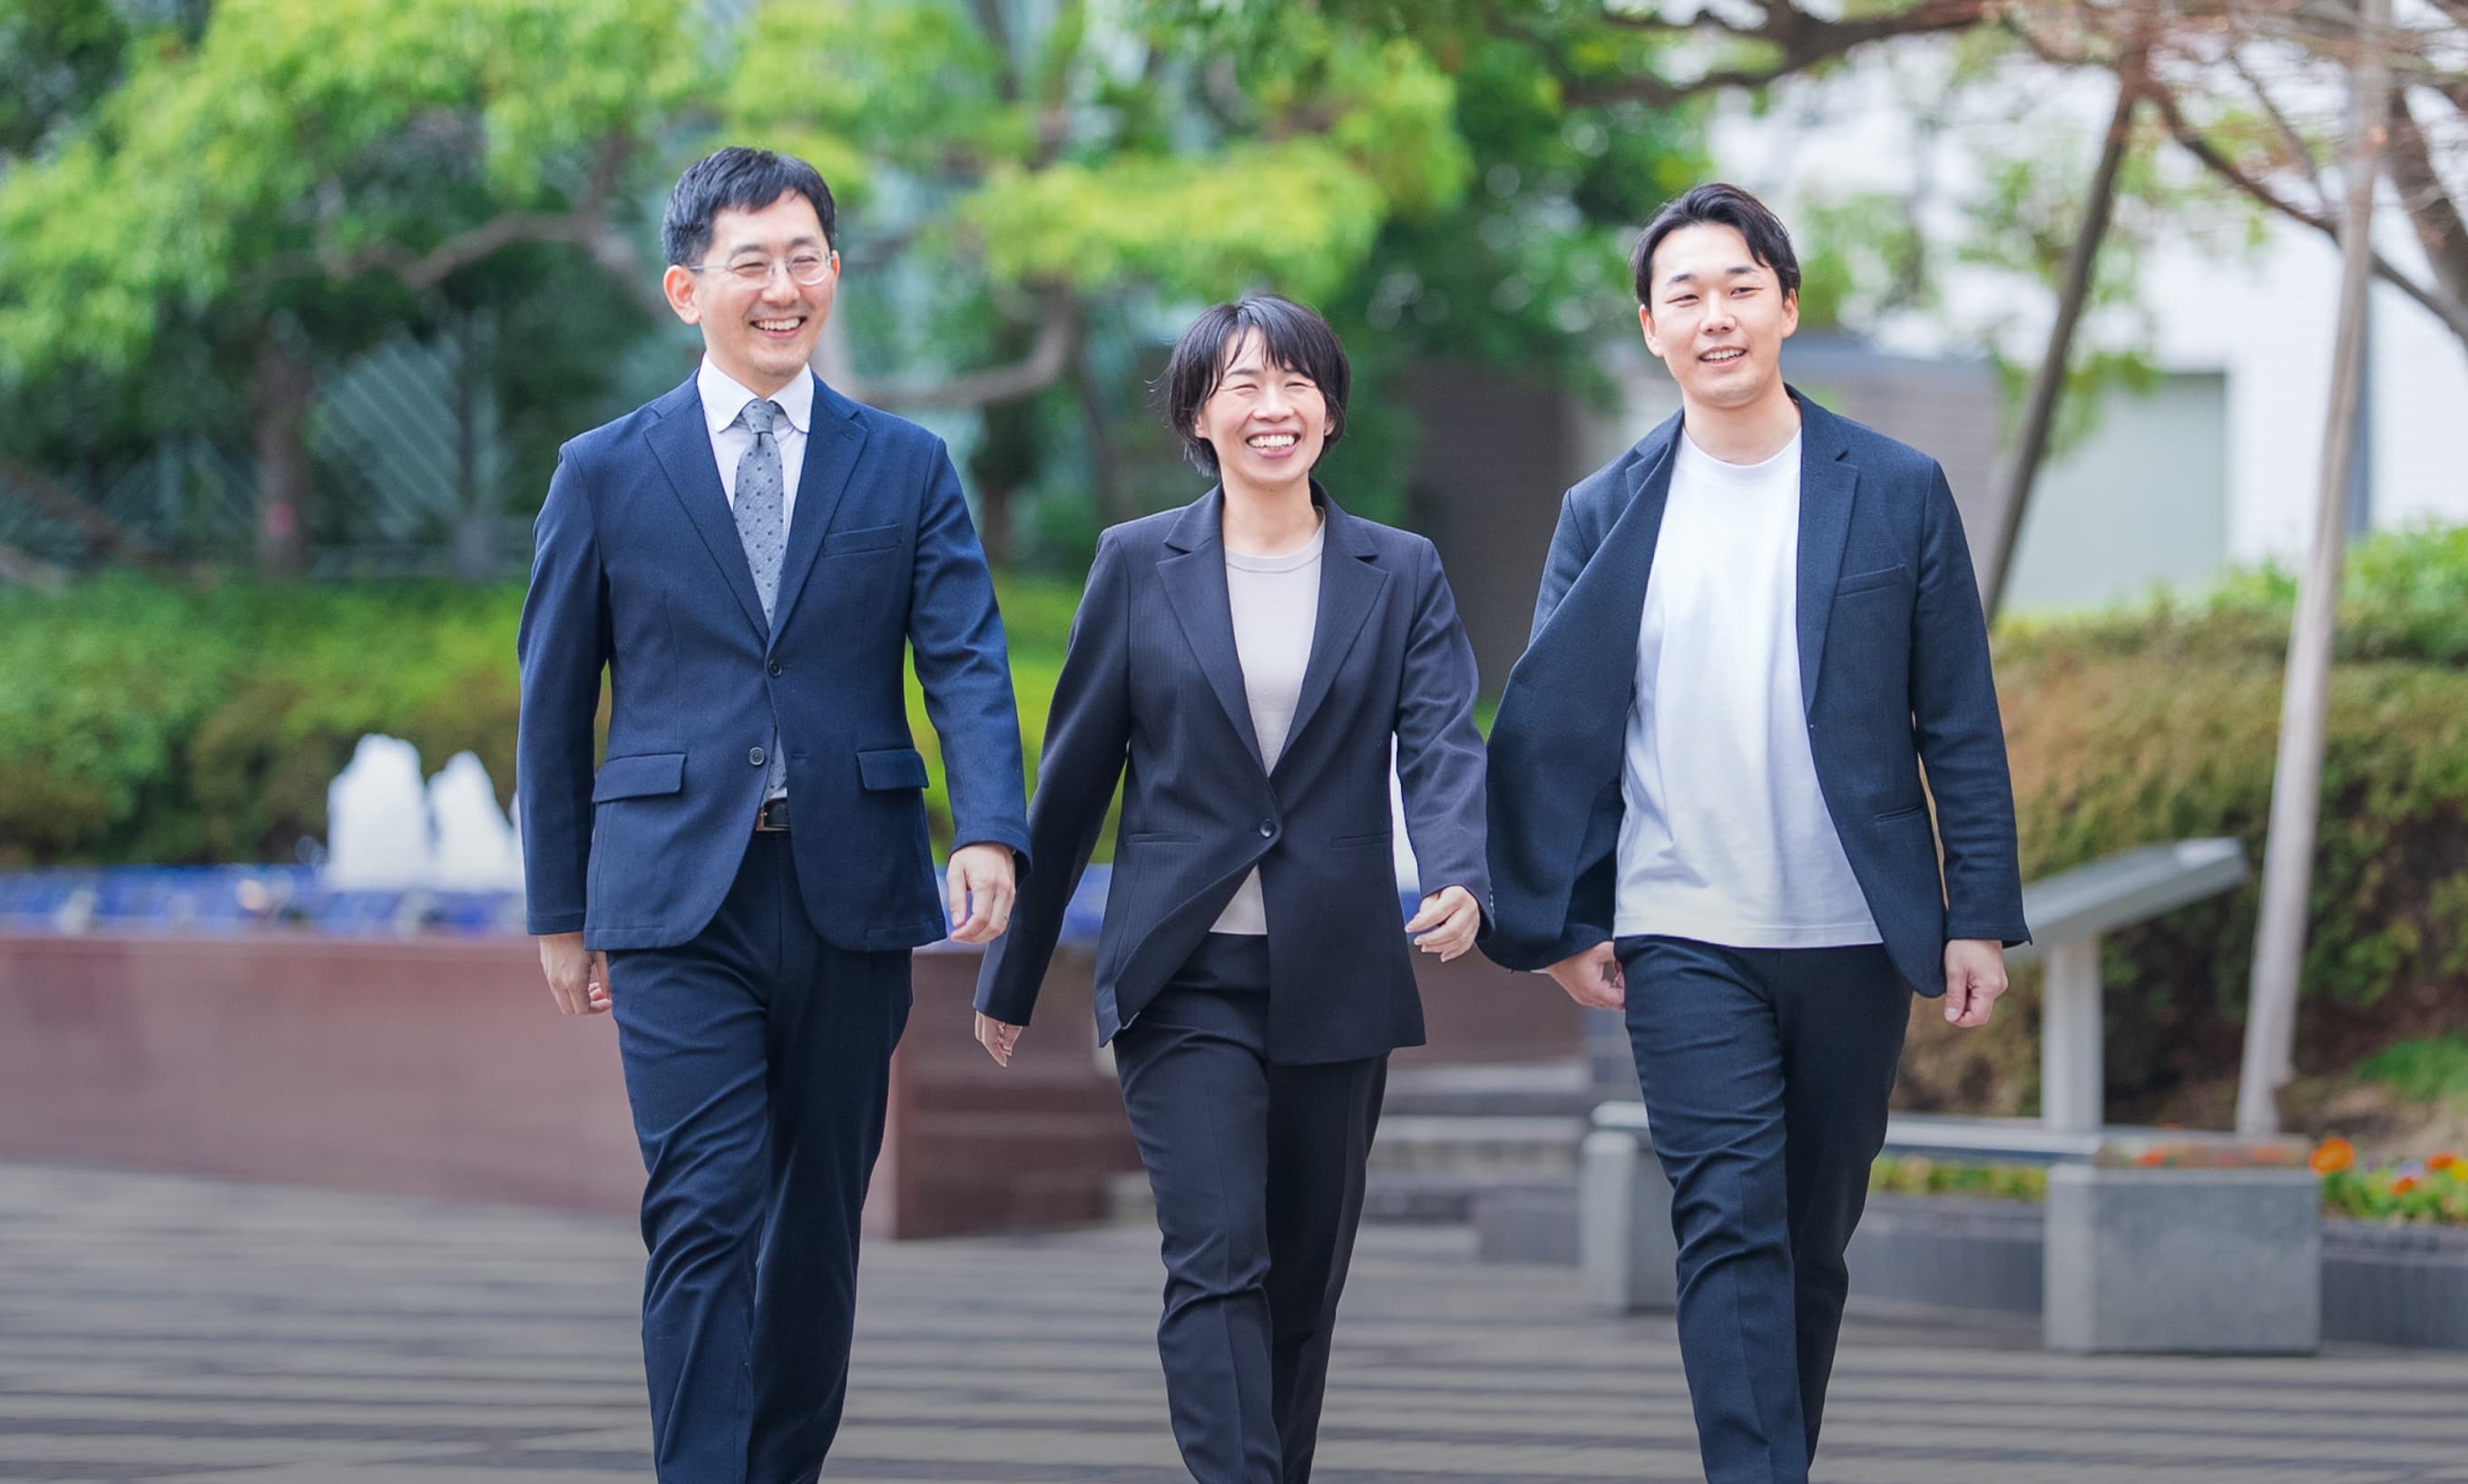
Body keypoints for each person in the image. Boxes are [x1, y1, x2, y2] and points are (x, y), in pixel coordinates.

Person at [1481, 183, 2031, 1484]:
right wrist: (1562, 917)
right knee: (1727, 1220)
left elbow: (1957, 716)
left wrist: (1979, 914)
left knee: (1809, 1237)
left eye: (1739, 288)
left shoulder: (1895, 489)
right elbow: (1559, 730)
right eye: (1685, 295)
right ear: (1651, 328)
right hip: (1682, 927)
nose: (1714, 316)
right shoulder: (1604, 510)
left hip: (1853, 927)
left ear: (1786, 305)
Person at [514, 146, 1030, 1484]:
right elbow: (553, 704)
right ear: (688, 288)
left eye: (806, 259)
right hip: (673, 901)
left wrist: (988, 827)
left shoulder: (905, 466)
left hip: (851, 894)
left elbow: (965, 660)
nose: (784, 287)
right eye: (753, 263)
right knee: (702, 1209)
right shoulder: (602, 472)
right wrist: (560, 910)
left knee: (816, 1227)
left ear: (835, 274)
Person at [973, 294, 1489, 1484]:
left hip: (1335, 972)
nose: (1273, 406)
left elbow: (1442, 743)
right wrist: (1014, 968)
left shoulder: (1399, 570)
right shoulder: (1136, 563)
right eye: (1242, 384)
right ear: (1198, 416)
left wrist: (1460, 872)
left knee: (1302, 1283)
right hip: (1182, 972)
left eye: (1297, 382)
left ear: (1331, 411)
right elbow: (1074, 776)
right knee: (1216, 1262)